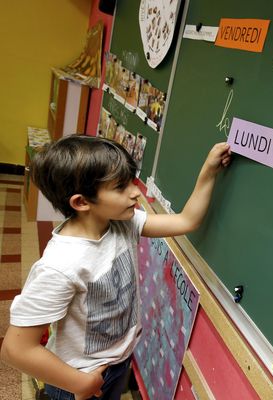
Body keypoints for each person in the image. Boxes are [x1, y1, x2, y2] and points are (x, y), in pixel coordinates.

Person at [0, 135, 231, 400]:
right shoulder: (61, 265)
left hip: (117, 363)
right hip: (78, 378)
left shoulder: (122, 224)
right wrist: (80, 383)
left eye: (132, 181)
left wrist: (209, 170)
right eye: (121, 187)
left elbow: (187, 221)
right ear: (81, 202)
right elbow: (15, 349)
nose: (136, 192)